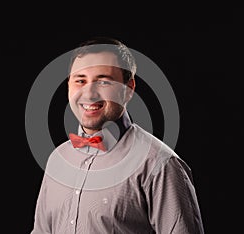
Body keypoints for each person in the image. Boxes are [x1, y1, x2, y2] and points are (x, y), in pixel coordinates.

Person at [30, 37, 205, 234]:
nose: (89, 93)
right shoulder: (57, 160)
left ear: (129, 89)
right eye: (80, 80)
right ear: (69, 86)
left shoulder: (159, 164)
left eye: (103, 81)